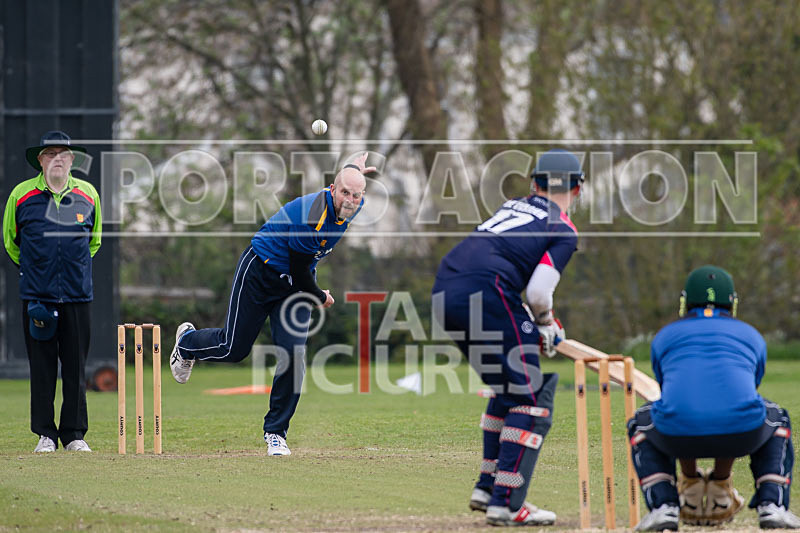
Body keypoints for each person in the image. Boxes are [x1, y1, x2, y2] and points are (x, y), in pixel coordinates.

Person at [169, 153, 375, 456]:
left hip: (294, 287)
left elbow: (352, 179)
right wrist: (321, 297)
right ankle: (187, 343)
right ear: (332, 188)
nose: (350, 199)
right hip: (261, 271)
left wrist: (356, 166)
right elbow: (301, 272)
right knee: (233, 348)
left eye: (356, 195)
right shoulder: (313, 216)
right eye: (344, 192)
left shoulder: (353, 204)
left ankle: (276, 433)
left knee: (293, 356)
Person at [432, 149, 583, 526]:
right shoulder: (563, 228)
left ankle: (487, 488)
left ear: (534, 185)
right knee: (531, 398)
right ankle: (508, 503)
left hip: (445, 288)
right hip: (487, 291)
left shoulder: (514, 205)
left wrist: (536, 328)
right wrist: (546, 324)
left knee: (510, 389)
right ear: (578, 190)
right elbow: (536, 295)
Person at [629, 265, 799, 531]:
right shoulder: (751, 335)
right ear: (732, 304)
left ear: (685, 302)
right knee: (776, 417)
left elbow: (675, 399)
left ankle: (664, 507)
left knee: (642, 420)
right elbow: (738, 399)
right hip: (743, 432)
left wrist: (690, 477)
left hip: (677, 433)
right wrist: (720, 478)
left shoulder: (665, 336)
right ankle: (772, 505)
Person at [2, 131, 102, 453]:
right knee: (42, 368)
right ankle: (45, 434)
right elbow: (11, 242)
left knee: (75, 367)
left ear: (72, 160)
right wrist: (39, 270)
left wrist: (70, 270)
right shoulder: (21, 196)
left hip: (76, 295)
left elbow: (94, 242)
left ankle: (74, 435)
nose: (57, 158)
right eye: (51, 153)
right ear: (40, 160)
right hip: (38, 296)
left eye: (63, 153)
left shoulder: (88, 195)